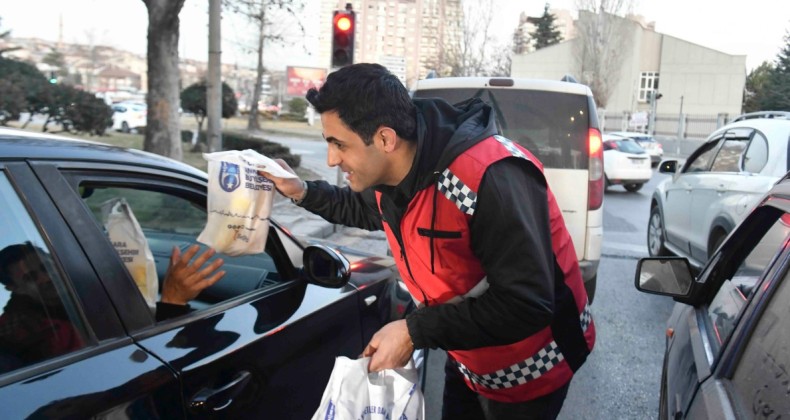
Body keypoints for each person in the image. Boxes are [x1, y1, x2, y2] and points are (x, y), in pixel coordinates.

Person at [260, 63, 595, 419]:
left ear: (386, 139)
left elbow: (526, 302)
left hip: (534, 370)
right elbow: (357, 208)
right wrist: (300, 191)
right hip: (468, 357)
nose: (331, 160)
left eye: (339, 144)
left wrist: (412, 332)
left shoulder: (486, 176)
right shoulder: (391, 179)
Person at [0, 242, 225, 372]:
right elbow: (136, 365)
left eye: (46, 266)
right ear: (13, 288)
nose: (45, 278)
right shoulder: (20, 331)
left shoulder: (84, 291)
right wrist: (173, 302)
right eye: (31, 277)